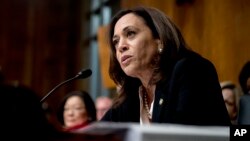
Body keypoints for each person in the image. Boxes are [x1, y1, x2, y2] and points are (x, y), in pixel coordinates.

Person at [101, 6, 231, 126]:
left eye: (130, 33)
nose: (121, 47)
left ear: (160, 40)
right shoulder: (131, 96)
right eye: (116, 42)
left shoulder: (191, 70)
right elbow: (96, 133)